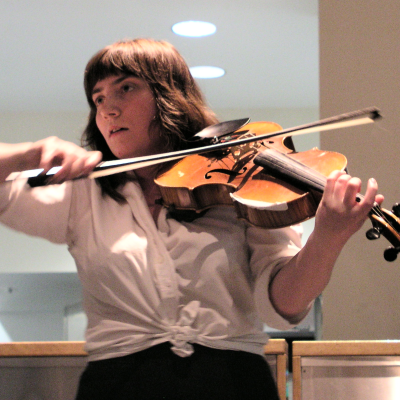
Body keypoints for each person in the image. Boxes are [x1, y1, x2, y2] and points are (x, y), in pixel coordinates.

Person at [0, 39, 383, 400]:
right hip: (119, 386)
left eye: (125, 88)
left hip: (232, 383)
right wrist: (27, 154)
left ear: (168, 95)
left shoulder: (242, 182)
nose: (107, 110)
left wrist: (327, 238)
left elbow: (281, 308)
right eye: (97, 98)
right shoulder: (83, 193)